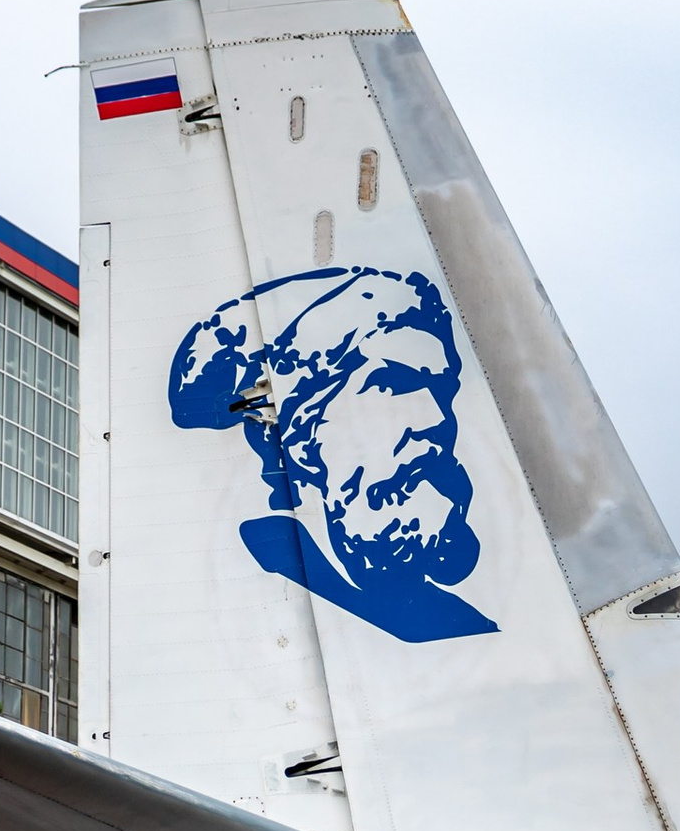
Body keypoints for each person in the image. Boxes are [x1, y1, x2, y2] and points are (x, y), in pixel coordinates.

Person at [168, 266, 497, 643]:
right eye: (395, 384)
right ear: (301, 437)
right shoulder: (278, 576)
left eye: (441, 388)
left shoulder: (450, 621)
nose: (439, 419)